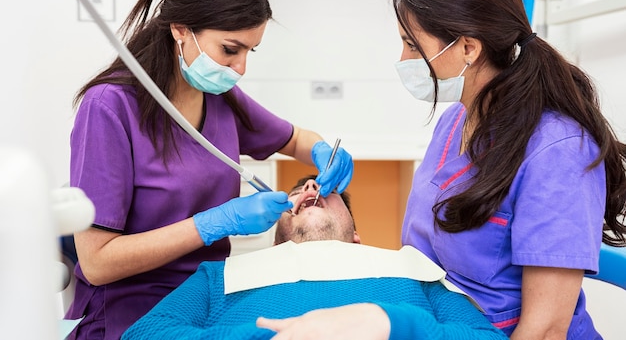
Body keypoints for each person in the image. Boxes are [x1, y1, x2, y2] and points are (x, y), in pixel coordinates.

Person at [254, 0, 626, 340]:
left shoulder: (558, 151)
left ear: (468, 48)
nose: (403, 60)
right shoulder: (455, 121)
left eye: (412, 46)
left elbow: (545, 330)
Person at [64, 0, 353, 340]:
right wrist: (216, 222)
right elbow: (96, 262)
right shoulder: (109, 108)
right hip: (133, 315)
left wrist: (325, 153)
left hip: (212, 301)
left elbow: (299, 139)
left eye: (250, 51)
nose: (241, 68)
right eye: (230, 50)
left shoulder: (219, 96)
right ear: (180, 29)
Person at [121, 176, 509, 340]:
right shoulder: (223, 274)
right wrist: (281, 333)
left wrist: (389, 323)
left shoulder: (409, 266)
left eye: (328, 190)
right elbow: (142, 335)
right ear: (275, 240)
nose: (310, 187)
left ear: (357, 236)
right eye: (297, 190)